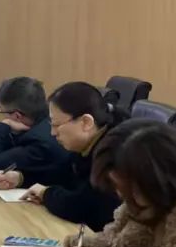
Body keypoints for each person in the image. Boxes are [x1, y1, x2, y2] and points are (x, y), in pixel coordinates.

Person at [7, 81, 125, 230]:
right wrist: (21, 177)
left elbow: (82, 207)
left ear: (86, 122)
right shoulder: (88, 143)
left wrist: (46, 193)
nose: (53, 133)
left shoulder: (114, 153)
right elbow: (62, 173)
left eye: (57, 125)